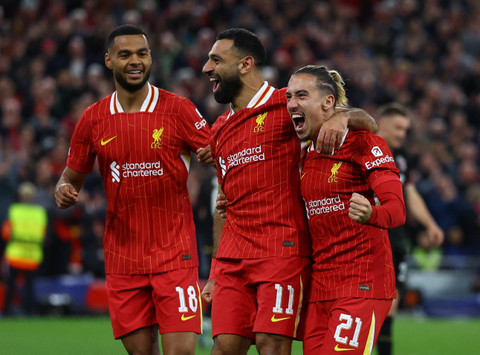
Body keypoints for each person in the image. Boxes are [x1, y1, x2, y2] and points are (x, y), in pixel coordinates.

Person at [200, 28, 377, 355]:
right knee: (224, 347)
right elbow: (223, 204)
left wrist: (342, 117)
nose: (206, 68)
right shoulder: (218, 131)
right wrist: (213, 271)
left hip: (280, 251)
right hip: (232, 258)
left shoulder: (287, 101)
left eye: (215, 60)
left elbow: (368, 122)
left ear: (245, 64)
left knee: (272, 345)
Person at [54, 25, 211, 355]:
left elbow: (219, 157)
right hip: (124, 258)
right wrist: (64, 190)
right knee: (141, 352)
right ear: (109, 61)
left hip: (175, 254)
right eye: (125, 55)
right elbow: (70, 179)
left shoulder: (178, 109)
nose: (135, 61)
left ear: (151, 58)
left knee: (181, 352)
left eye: (142, 53)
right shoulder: (93, 119)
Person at [286, 65, 406, 354]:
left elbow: (397, 211)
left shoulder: (363, 143)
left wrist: (371, 214)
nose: (291, 103)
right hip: (320, 290)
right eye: (289, 96)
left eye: (302, 95)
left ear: (328, 103)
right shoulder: (303, 154)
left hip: (363, 285)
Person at [375, 103, 444, 355]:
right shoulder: (362, 149)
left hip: (395, 237)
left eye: (405, 129)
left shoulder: (401, 159)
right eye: (398, 128)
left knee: (392, 299)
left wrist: (430, 223)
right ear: (381, 124)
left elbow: (410, 193)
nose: (402, 134)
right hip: (367, 233)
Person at [2, 181, 47, 316]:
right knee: (30, 285)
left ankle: (7, 310)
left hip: (15, 253)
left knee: (11, 284)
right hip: (33, 254)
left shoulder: (14, 210)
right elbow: (44, 235)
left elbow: (5, 233)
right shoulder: (40, 213)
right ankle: (30, 310)